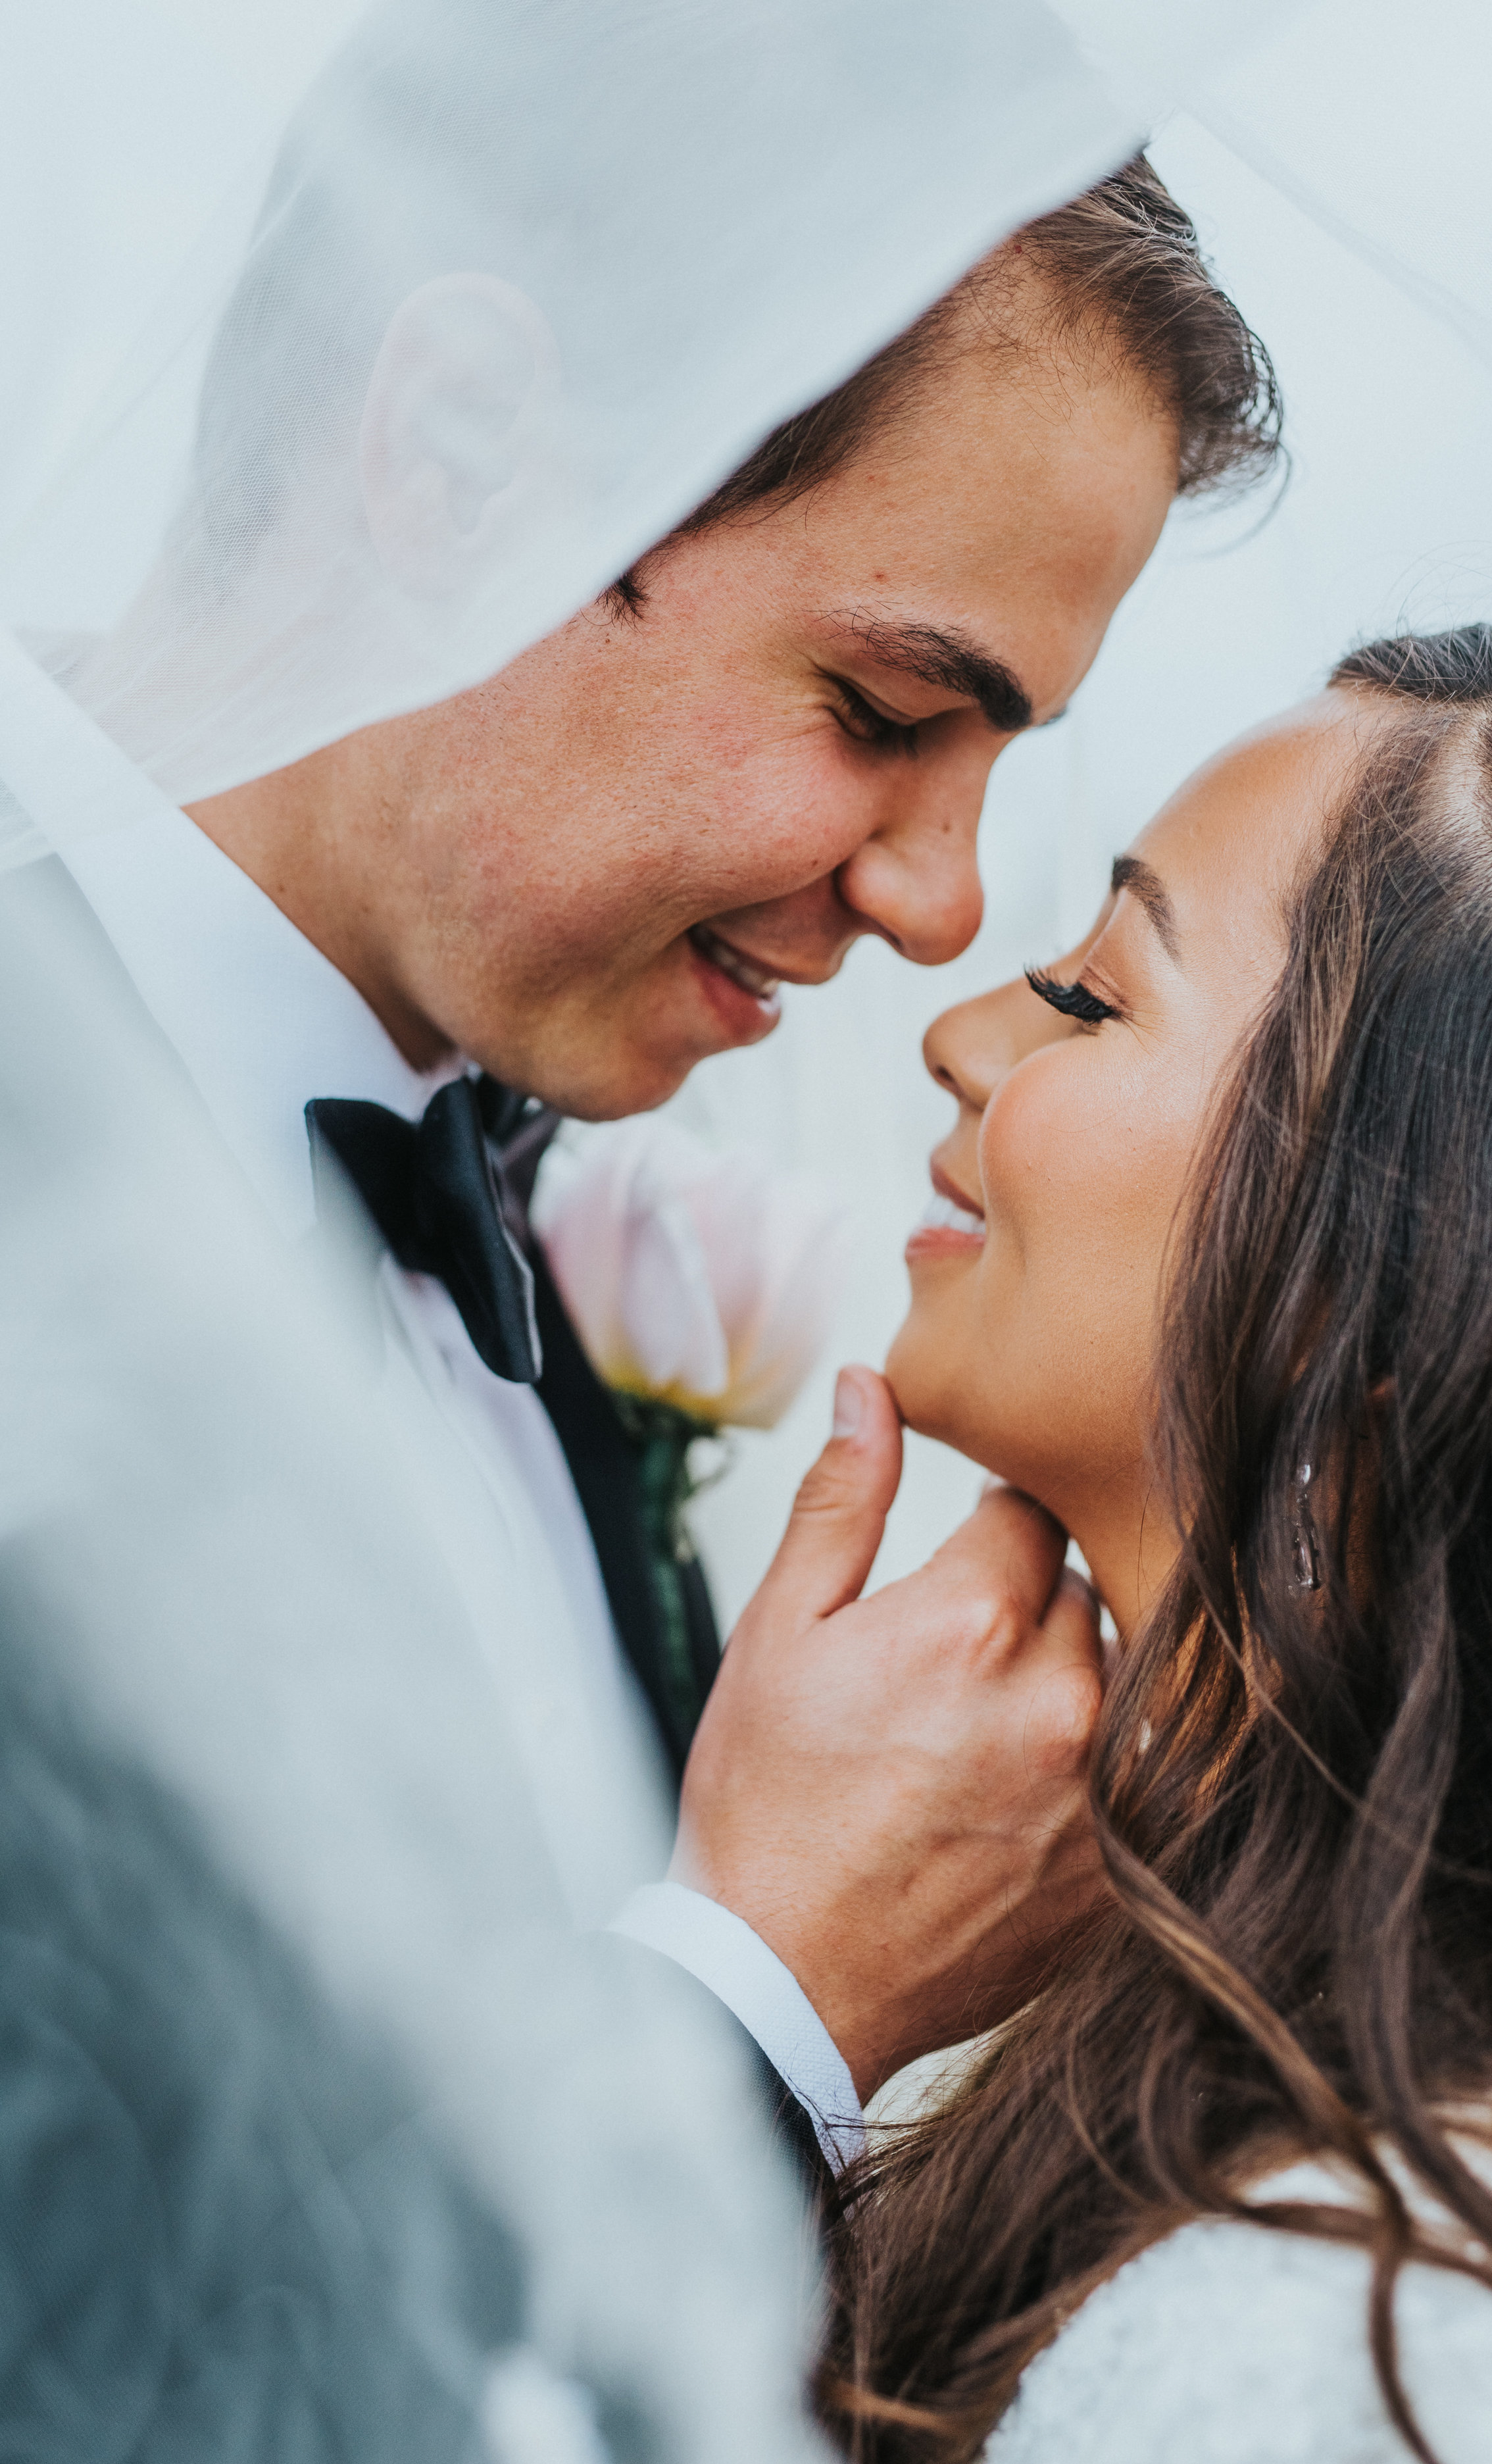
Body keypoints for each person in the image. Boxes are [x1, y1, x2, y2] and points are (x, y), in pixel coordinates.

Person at [2, 45, 1280, 2173]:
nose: (942, 900)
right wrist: (775, 1988)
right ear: (465, 452)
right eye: (879, 709)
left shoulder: (522, 1239)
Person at [684, 624, 1492, 2456]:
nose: (960, 1037)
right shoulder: (1199, 2035)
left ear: (1402, 1277)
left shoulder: (1351, 2354)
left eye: (1093, 996)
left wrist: (766, 1984)